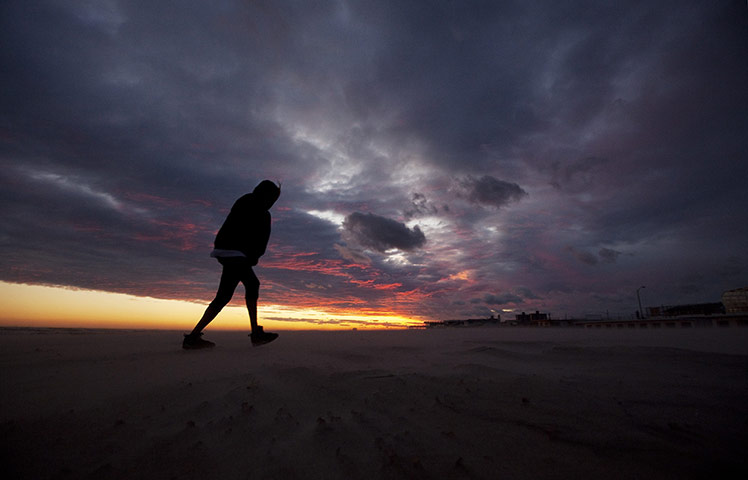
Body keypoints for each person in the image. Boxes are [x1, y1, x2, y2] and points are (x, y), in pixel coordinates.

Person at [183, 180, 281, 349]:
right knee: (252, 284)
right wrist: (253, 257)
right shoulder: (262, 212)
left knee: (223, 296)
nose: (272, 203)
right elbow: (261, 241)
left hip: (224, 250)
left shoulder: (244, 201)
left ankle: (193, 337)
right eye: (273, 199)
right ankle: (256, 333)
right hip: (235, 253)